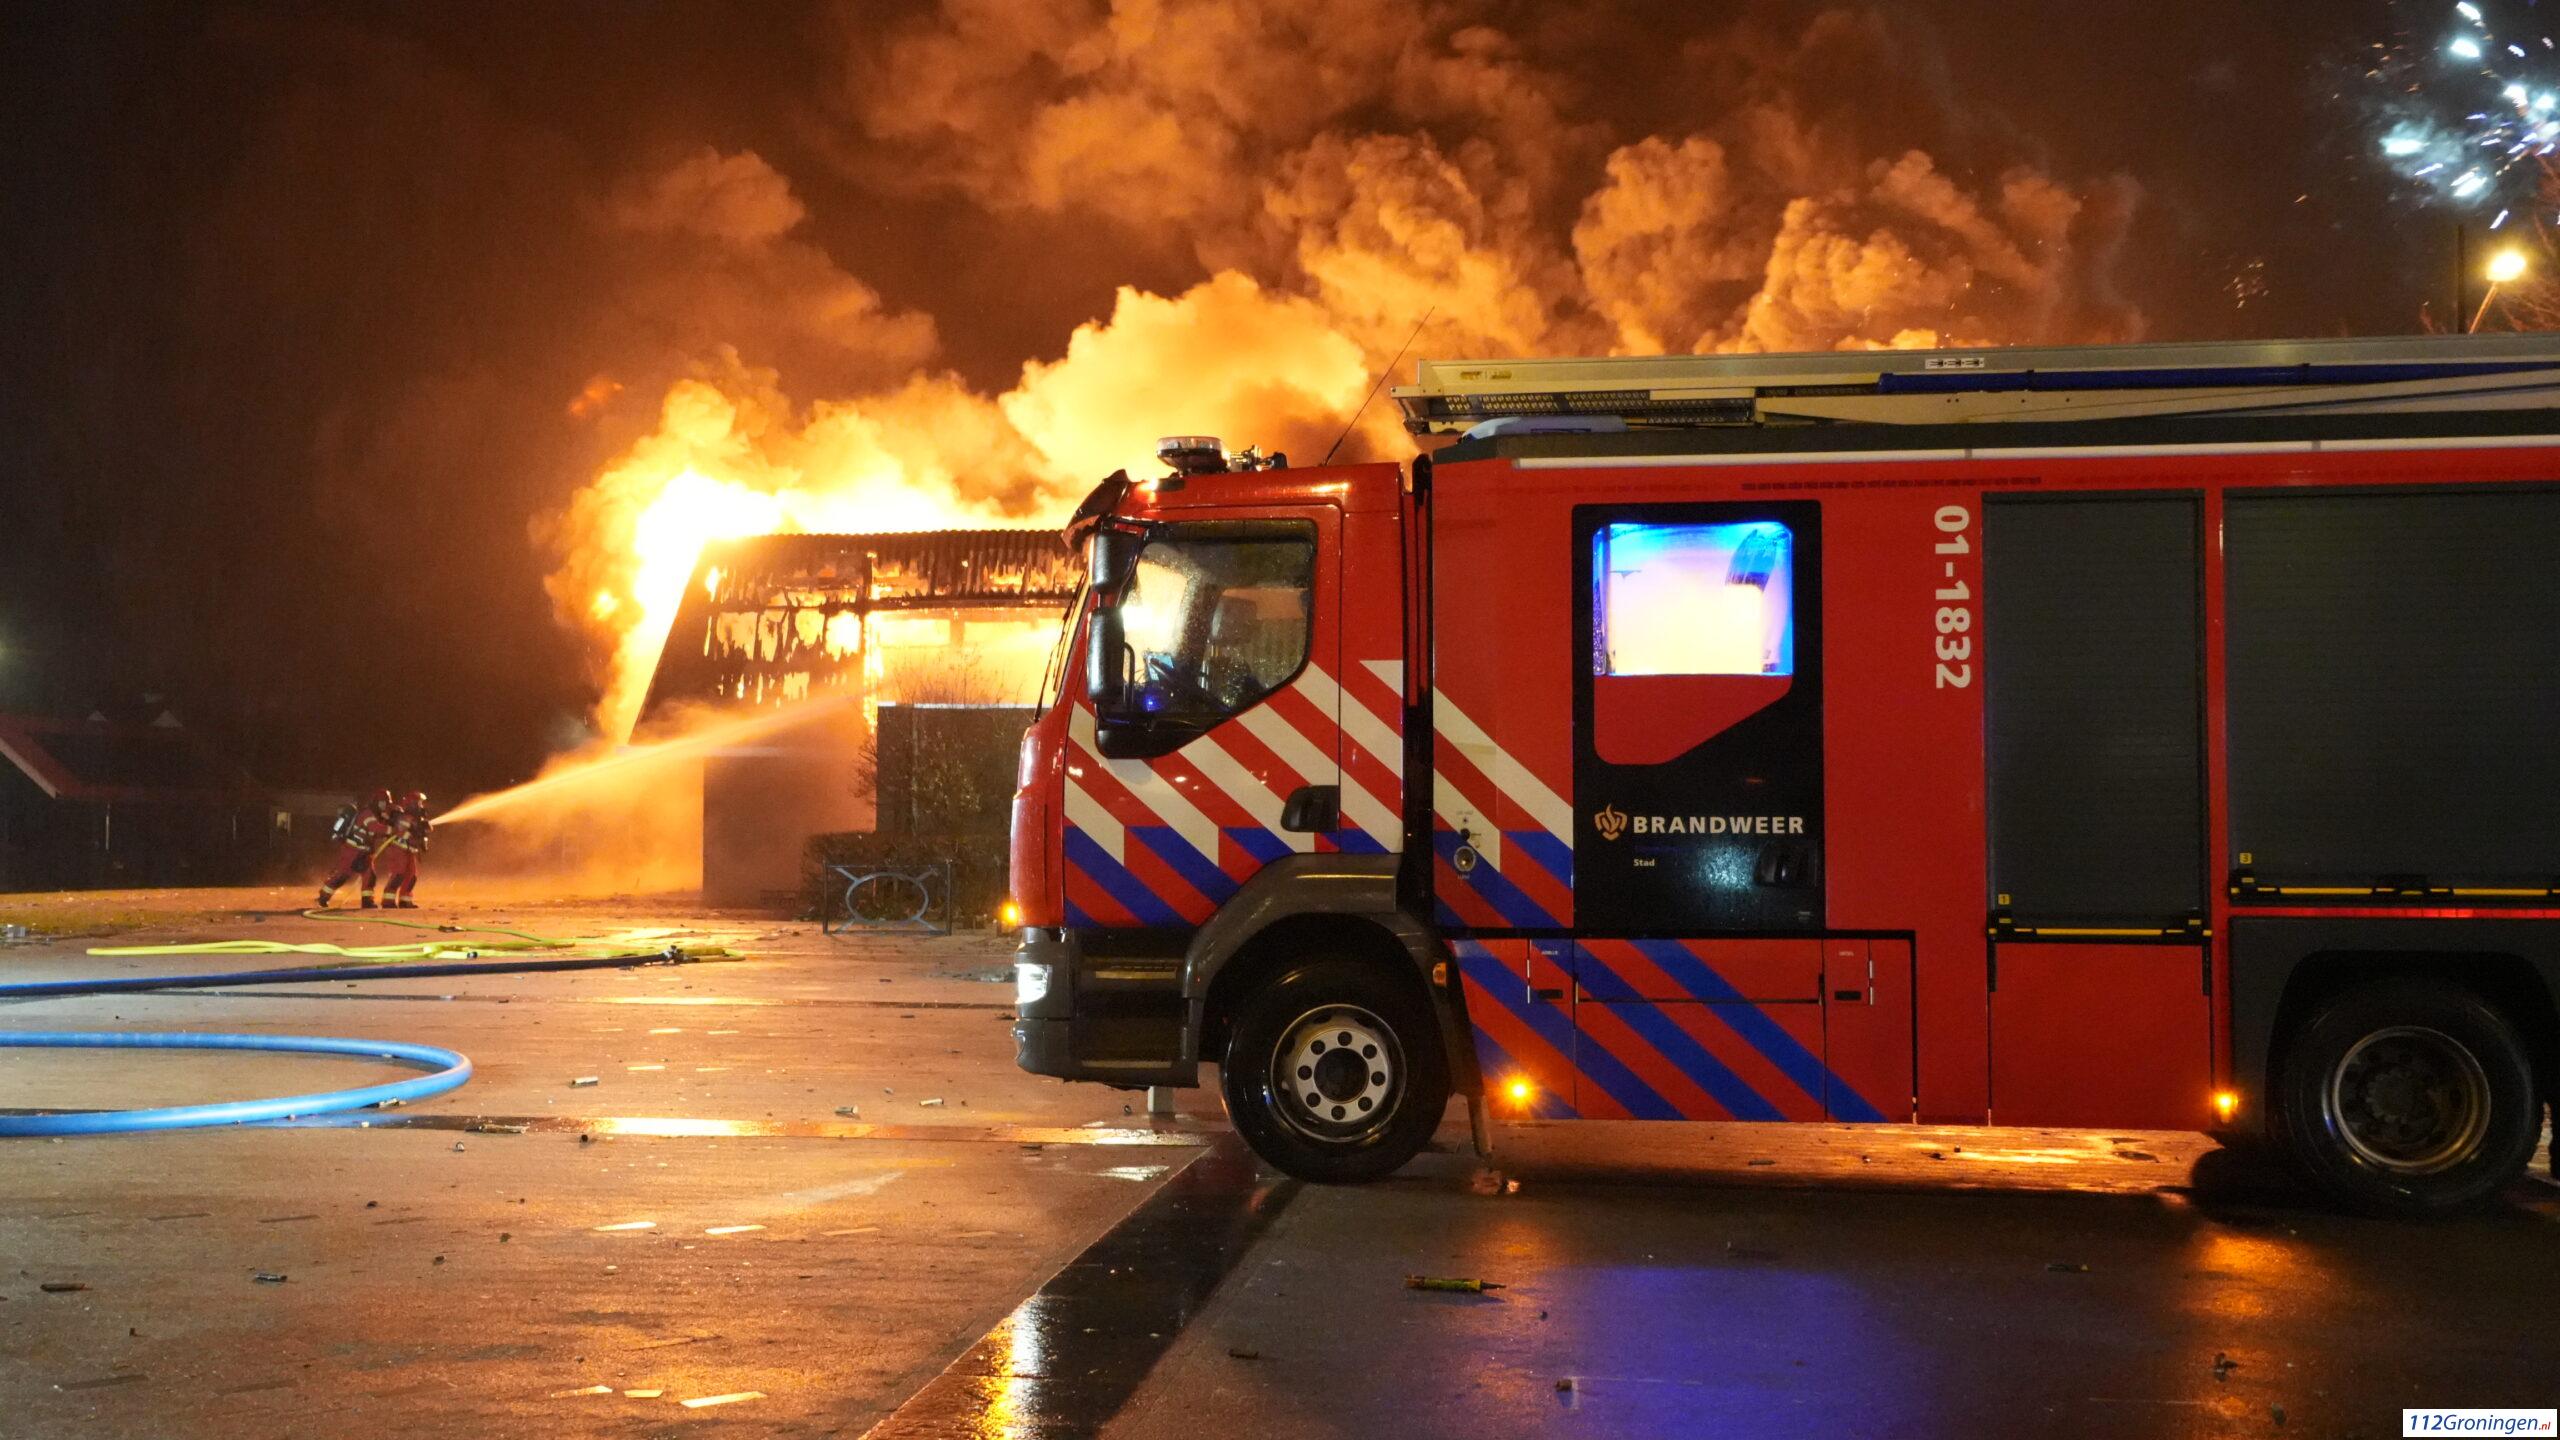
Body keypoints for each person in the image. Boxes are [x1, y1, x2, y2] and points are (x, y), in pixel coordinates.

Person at [316, 789, 396, 908]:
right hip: (352, 850)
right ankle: (324, 894)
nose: (384, 805)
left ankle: (367, 901)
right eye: (382, 802)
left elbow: (374, 833)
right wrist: (392, 830)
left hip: (364, 851)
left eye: (385, 803)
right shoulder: (368, 814)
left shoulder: (377, 816)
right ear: (376, 802)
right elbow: (375, 828)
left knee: (370, 876)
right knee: (343, 875)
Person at [375, 791, 432, 909]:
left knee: (412, 876)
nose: (422, 806)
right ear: (412, 804)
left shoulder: (416, 818)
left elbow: (419, 834)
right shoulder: (403, 817)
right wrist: (417, 829)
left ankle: (405, 901)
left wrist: (424, 829)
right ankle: (388, 901)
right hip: (398, 850)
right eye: (420, 803)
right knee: (398, 875)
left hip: (409, 851)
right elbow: (402, 831)